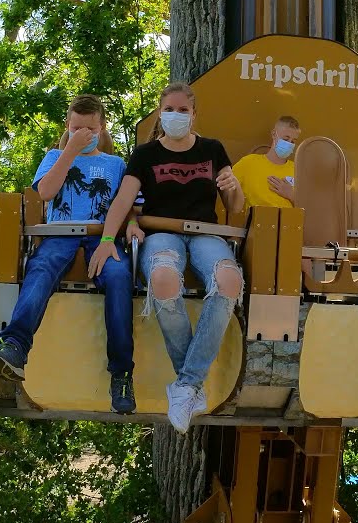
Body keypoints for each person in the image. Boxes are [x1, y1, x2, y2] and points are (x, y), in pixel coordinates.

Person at [88, 82, 245, 433]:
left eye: (183, 110)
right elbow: (124, 200)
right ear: (161, 113)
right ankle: (190, 384)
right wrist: (108, 238)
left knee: (229, 280)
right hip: (160, 231)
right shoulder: (145, 155)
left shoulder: (212, 149)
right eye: (169, 109)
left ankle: (186, 384)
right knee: (162, 278)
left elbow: (235, 206)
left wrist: (236, 187)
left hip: (204, 232)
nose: (176, 115)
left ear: (194, 114)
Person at [0, 94, 136, 414]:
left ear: (102, 128)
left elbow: (129, 206)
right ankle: (15, 346)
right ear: (68, 126)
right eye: (76, 127)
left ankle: (121, 373)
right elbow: (46, 192)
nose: (83, 133)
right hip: (60, 234)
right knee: (41, 269)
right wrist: (69, 150)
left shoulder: (116, 164)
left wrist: (126, 229)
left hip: (100, 237)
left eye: (89, 129)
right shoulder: (55, 155)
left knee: (120, 277)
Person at [232, 115, 300, 208]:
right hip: (255, 220)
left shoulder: (298, 172)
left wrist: (291, 195)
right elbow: (226, 192)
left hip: (288, 221)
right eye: (285, 139)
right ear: (273, 134)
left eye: (293, 141)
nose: (289, 144)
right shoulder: (248, 163)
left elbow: (310, 210)